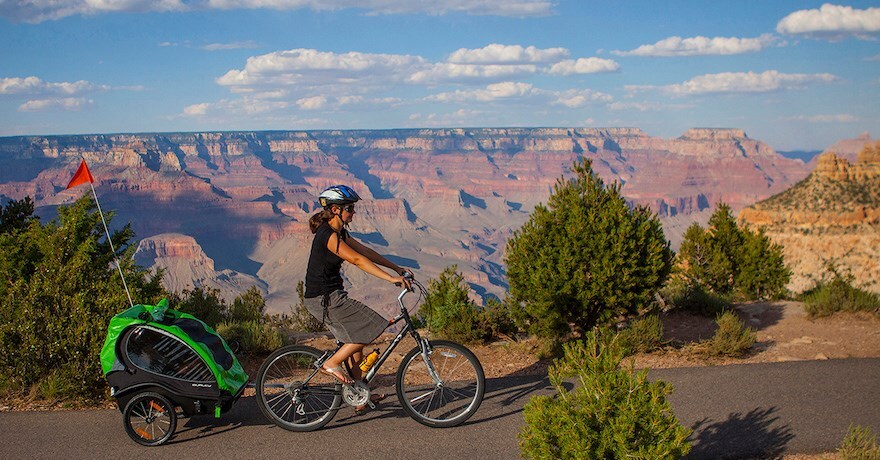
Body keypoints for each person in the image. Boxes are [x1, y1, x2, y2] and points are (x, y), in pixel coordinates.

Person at [303, 185, 412, 396]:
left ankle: (359, 395)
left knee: (356, 347)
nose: (353, 212)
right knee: (372, 327)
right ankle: (331, 363)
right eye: (350, 208)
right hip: (324, 299)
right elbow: (357, 259)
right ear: (336, 210)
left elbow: (364, 251)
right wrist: (391, 279)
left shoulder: (339, 231)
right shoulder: (327, 235)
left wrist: (395, 267)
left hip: (331, 296)